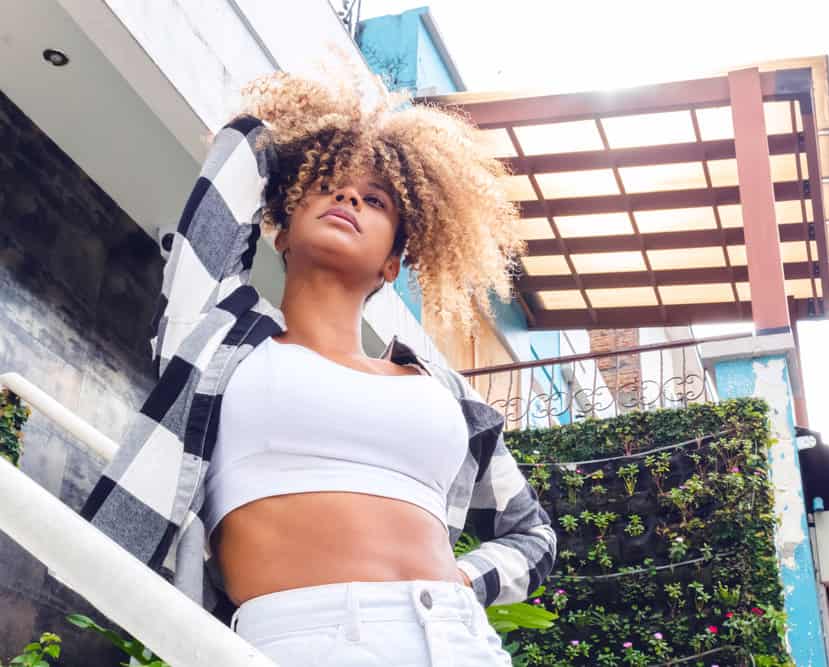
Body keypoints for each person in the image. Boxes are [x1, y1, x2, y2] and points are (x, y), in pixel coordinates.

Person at [79, 62, 556, 666]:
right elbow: (238, 160)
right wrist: (313, 130)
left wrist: (466, 581)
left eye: (376, 199)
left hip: (460, 642)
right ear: (280, 228)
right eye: (326, 182)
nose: (350, 196)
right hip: (304, 641)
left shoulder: (442, 391)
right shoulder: (218, 333)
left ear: (392, 264)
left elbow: (533, 536)